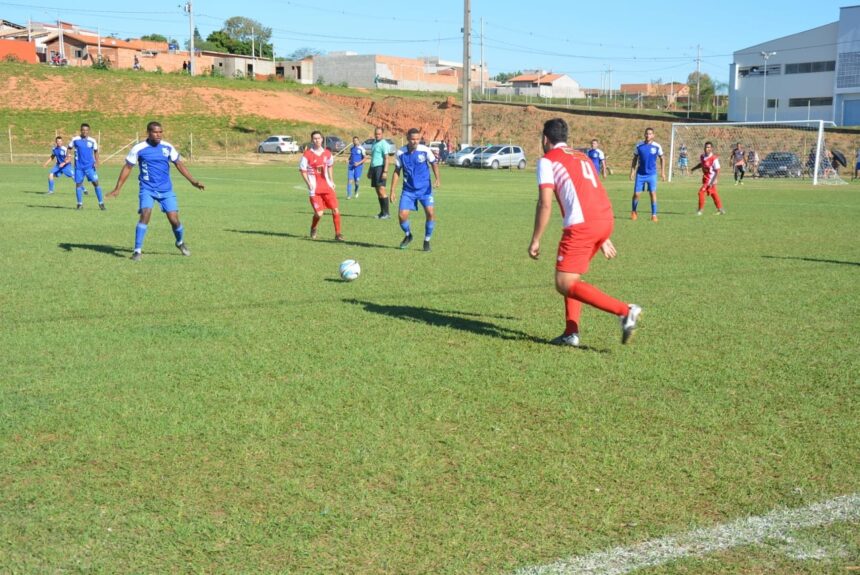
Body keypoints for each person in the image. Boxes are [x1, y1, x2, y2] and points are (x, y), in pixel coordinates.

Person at [529, 118, 641, 347]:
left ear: (544, 139)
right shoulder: (583, 157)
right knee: (572, 277)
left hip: (582, 225)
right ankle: (571, 332)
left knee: (564, 282)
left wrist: (536, 239)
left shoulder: (547, 161)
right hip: (604, 219)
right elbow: (589, 191)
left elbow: (545, 204)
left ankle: (625, 311)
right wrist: (602, 235)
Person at [107, 121, 204, 261]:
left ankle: (180, 242)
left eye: (160, 132)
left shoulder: (167, 147)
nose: (158, 135)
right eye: (155, 132)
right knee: (145, 214)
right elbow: (128, 167)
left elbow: (179, 164)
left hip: (166, 190)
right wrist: (117, 188)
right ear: (148, 132)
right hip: (147, 189)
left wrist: (193, 181)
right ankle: (137, 251)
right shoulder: (139, 148)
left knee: (174, 220)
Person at [389, 128, 440, 252]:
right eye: (412, 139)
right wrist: (392, 191)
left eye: (417, 139)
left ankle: (427, 240)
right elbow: (397, 171)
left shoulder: (424, 150)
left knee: (430, 213)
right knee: (402, 216)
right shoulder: (401, 153)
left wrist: (437, 179)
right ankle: (408, 235)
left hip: (425, 190)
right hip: (408, 190)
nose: (415, 141)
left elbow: (433, 163)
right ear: (407, 138)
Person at [300, 130, 343, 240]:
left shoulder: (327, 153)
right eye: (314, 138)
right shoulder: (307, 154)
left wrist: (332, 181)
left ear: (322, 139)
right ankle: (313, 227)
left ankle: (338, 234)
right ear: (312, 140)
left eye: (318, 138)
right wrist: (309, 184)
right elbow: (302, 170)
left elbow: (330, 166)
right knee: (319, 214)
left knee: (336, 210)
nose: (317, 140)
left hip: (327, 187)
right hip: (315, 189)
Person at [629, 127, 664, 222]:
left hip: (652, 174)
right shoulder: (639, 146)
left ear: (653, 135)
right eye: (646, 133)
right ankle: (634, 211)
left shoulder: (657, 146)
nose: (648, 135)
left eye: (650, 133)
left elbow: (662, 158)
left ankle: (654, 215)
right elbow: (634, 159)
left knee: (652, 193)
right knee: (636, 194)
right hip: (640, 174)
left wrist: (663, 172)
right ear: (644, 135)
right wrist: (632, 171)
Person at [68, 123, 105, 210]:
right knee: (78, 184)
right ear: (81, 130)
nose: (85, 132)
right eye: (83, 130)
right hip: (79, 167)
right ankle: (79, 204)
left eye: (86, 130)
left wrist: (97, 162)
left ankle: (101, 203)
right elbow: (69, 148)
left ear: (89, 131)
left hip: (89, 166)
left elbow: (96, 151)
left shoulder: (92, 141)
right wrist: (68, 157)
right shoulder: (75, 140)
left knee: (96, 183)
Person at [690, 142, 726, 216]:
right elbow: (702, 164)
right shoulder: (702, 156)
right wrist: (694, 168)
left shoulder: (714, 158)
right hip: (705, 178)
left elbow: (718, 170)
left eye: (709, 147)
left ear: (711, 148)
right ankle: (721, 209)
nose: (707, 149)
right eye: (706, 147)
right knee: (713, 194)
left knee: (701, 192)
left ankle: (700, 210)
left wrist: (714, 180)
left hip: (710, 179)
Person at [368, 127, 393, 219]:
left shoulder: (384, 144)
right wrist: (370, 170)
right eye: (376, 133)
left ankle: (387, 213)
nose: (377, 135)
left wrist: (385, 171)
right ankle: (382, 213)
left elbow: (387, 158)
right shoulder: (374, 143)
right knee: (378, 191)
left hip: (380, 168)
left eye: (379, 134)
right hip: (374, 168)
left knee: (382, 190)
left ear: (382, 134)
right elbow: (373, 157)